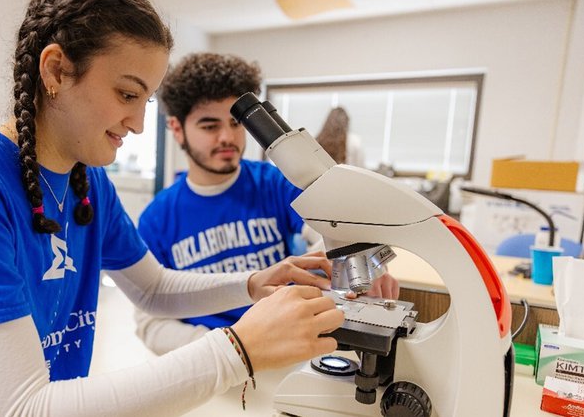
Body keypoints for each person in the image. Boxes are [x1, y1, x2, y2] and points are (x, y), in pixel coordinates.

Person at [0, 0, 347, 416]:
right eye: (126, 95)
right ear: (56, 71)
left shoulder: (86, 179)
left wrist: (250, 284)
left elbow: (154, 288)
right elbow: (16, 408)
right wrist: (237, 351)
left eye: (146, 102)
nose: (139, 124)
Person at [135, 53, 399, 355]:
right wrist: (232, 347)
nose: (227, 137)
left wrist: (356, 264)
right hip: (215, 363)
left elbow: (328, 232)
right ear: (177, 129)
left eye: (236, 124)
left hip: (288, 344)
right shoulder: (156, 219)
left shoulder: (274, 183)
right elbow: (150, 323)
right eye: (209, 126)